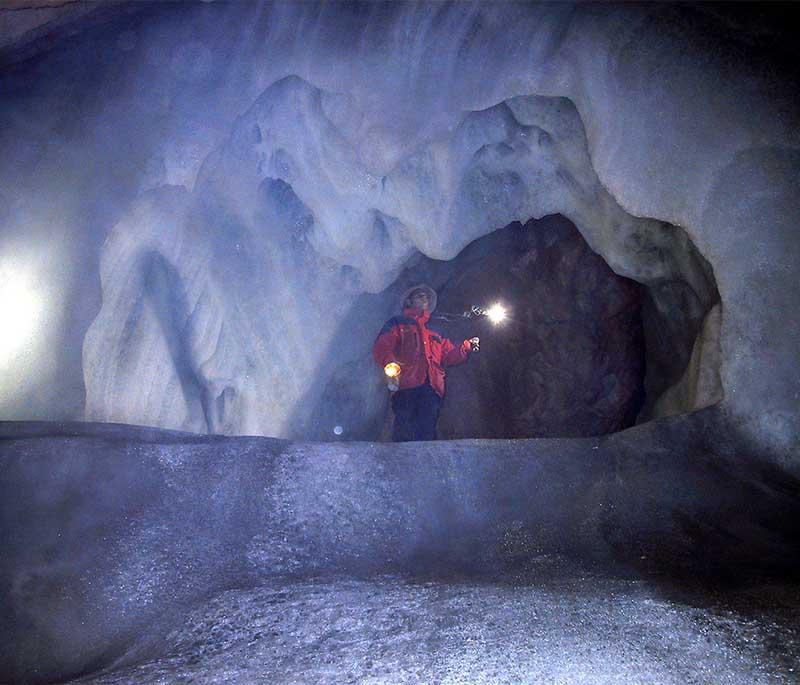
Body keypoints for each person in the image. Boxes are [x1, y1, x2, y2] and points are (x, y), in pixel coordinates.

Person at [373, 284, 478, 441]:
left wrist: (466, 347)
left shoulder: (435, 330)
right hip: (406, 385)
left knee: (427, 427)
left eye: (427, 297)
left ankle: (425, 463)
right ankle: (401, 462)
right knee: (404, 425)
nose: (425, 299)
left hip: (431, 387)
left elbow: (448, 355)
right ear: (408, 301)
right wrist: (390, 363)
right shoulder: (397, 323)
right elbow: (382, 346)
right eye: (420, 296)